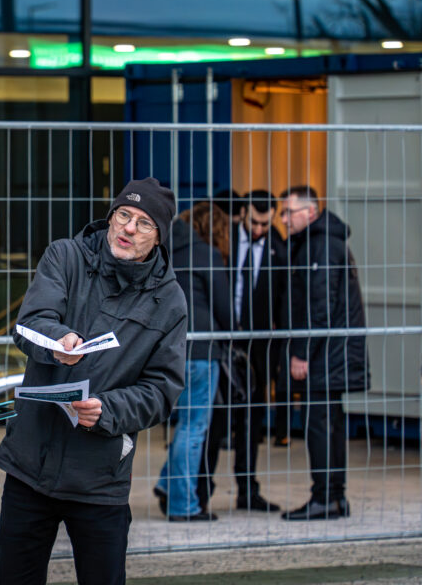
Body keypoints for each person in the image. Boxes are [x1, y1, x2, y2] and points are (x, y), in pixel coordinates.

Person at [0, 177, 187, 585]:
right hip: (31, 464)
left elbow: (163, 388)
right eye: (124, 215)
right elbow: (31, 322)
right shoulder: (66, 256)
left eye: (144, 223)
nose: (129, 229)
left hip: (100, 475)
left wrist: (110, 409)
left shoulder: (168, 300)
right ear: (111, 214)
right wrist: (57, 341)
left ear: (158, 236)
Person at [277, 185, 368, 521]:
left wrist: (301, 352)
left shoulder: (321, 244)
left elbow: (320, 305)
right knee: (329, 424)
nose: (284, 219)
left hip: (325, 353)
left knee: (320, 424)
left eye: (289, 212)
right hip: (331, 351)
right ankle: (334, 497)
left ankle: (325, 498)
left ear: (310, 212)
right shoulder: (321, 241)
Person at [198, 190, 286, 513]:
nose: (259, 229)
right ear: (243, 212)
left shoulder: (279, 247)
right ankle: (201, 491)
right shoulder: (223, 239)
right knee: (216, 420)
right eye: (254, 221)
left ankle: (248, 491)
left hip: (259, 350)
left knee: (251, 423)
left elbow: (281, 302)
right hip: (223, 344)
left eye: (265, 223)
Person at [154, 202, 232, 521]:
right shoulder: (207, 255)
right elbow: (225, 310)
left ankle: (166, 483)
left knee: (185, 427)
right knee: (194, 428)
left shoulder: (164, 253)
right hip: (201, 352)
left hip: (167, 351)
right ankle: (183, 505)